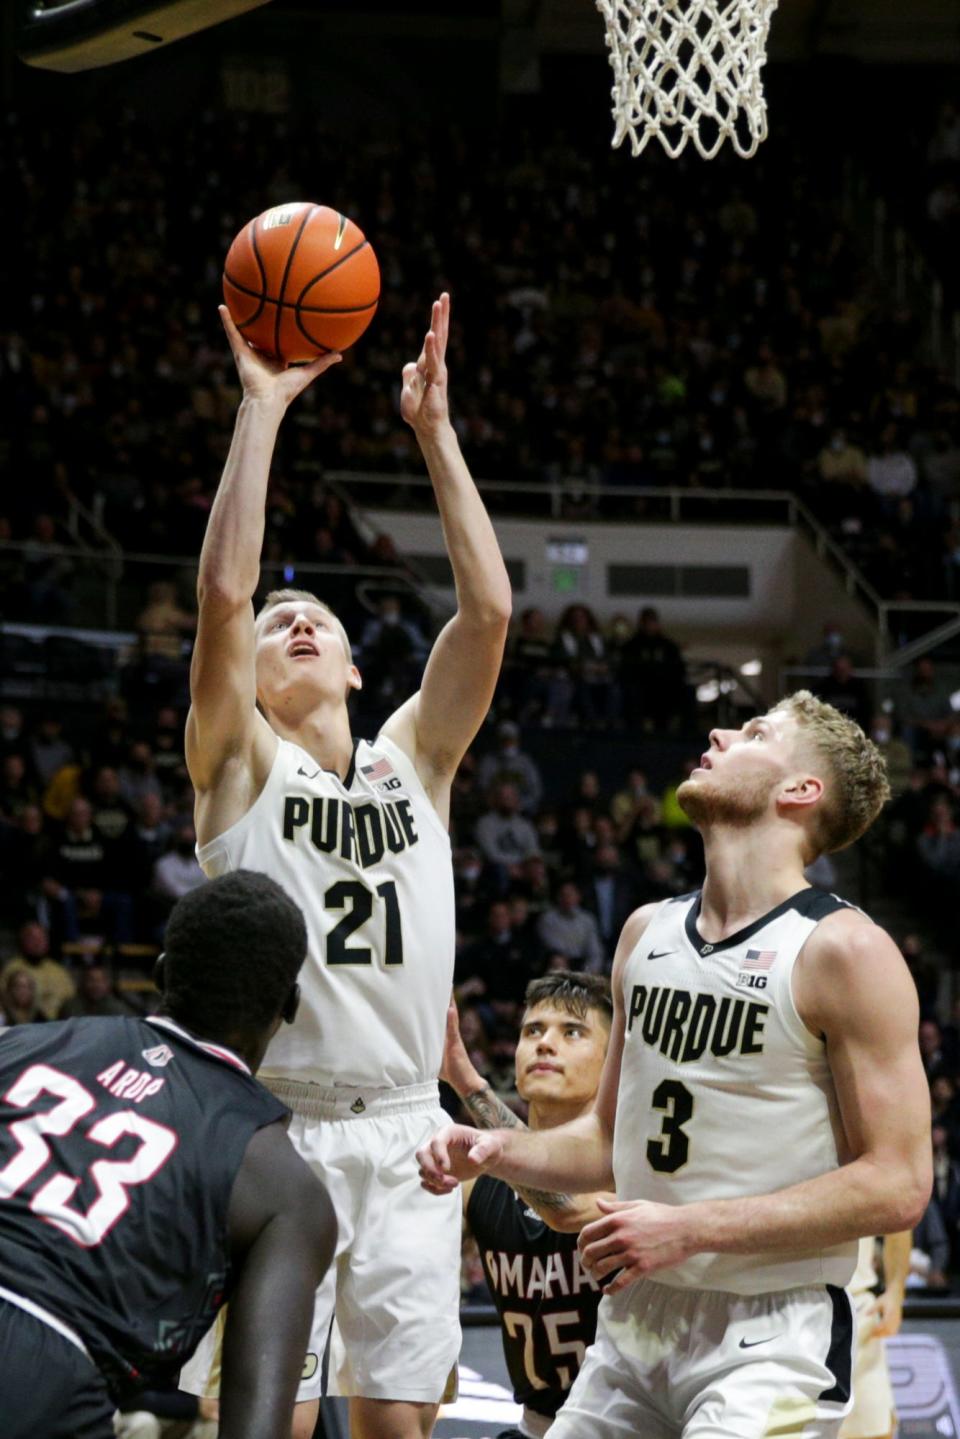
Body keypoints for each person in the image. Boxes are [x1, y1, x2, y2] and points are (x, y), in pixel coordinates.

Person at [418, 690, 931, 1439]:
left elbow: (899, 1181)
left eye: (756, 732)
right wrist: (497, 1149)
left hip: (770, 1330)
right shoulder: (643, 933)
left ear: (801, 790)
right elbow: (605, 1144)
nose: (720, 732)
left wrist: (690, 1227)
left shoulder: (845, 951)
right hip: (634, 1321)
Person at [180, 294, 511, 1439]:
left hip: (410, 1127)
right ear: (254, 674)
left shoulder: (414, 759)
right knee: (261, 1417)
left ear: (364, 668)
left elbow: (490, 611)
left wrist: (436, 433)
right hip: (282, 1125)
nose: (297, 625)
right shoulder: (238, 765)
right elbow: (224, 598)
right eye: (281, 627)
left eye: (318, 616)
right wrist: (261, 408)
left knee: (396, 1428)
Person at [0, 869, 336, 1439]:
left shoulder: (21, 1046)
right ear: (290, 1005)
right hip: (38, 1379)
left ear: (161, 975)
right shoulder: (284, 1187)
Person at [442, 975, 614, 1439]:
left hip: (634, 1426)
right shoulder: (478, 1185)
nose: (545, 1044)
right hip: (537, 1427)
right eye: (532, 1031)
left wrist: (466, 1080)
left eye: (571, 1032)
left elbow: (565, 1207)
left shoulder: (636, 1166)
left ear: (614, 1061)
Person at [839, 1232, 911, 1439]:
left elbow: (900, 1214)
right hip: (774, 1310)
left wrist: (896, 1291)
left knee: (874, 1430)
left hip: (856, 1305)